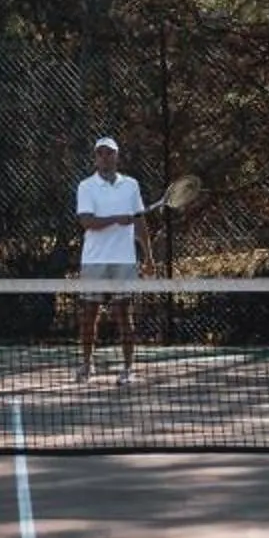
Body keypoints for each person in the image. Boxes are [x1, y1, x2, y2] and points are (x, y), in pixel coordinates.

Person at [73, 134, 151, 381]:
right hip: (94, 261)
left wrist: (148, 256)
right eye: (100, 153)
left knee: (124, 315)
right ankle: (87, 364)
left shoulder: (131, 185)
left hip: (124, 261)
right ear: (95, 158)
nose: (105, 157)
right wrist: (117, 219)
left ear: (117, 156)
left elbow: (140, 222)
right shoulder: (86, 186)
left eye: (110, 153)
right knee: (89, 315)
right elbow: (87, 221)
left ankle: (128, 369)